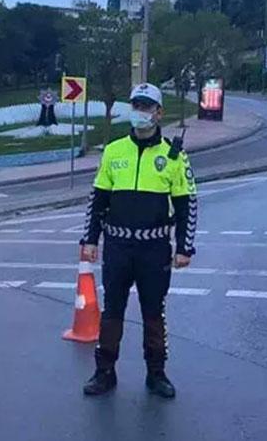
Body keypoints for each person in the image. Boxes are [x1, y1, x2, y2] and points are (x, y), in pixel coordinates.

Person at [79, 83, 198, 399]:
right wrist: (89, 240)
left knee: (153, 313)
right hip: (117, 248)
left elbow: (188, 203)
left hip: (154, 249)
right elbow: (98, 200)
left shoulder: (174, 156)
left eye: (147, 107)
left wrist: (185, 247)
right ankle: (104, 372)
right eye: (136, 106)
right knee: (112, 311)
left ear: (159, 113)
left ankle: (156, 374)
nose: (140, 112)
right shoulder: (114, 150)